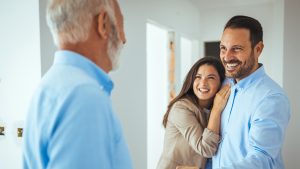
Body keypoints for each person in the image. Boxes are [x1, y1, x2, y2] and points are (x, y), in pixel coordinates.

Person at [23, 0, 133, 169]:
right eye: (120, 24)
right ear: (103, 24)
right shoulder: (84, 97)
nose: (123, 39)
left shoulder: (47, 87)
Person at [212, 15, 290, 169]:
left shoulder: (271, 98)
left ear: (258, 49)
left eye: (237, 49)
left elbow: (262, 160)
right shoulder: (224, 86)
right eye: (223, 48)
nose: (227, 57)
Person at [157, 57, 231, 169]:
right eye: (198, 77)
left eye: (210, 77)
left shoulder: (210, 111)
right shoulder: (181, 108)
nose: (203, 83)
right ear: (191, 80)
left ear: (221, 83)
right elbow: (206, 149)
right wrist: (216, 109)